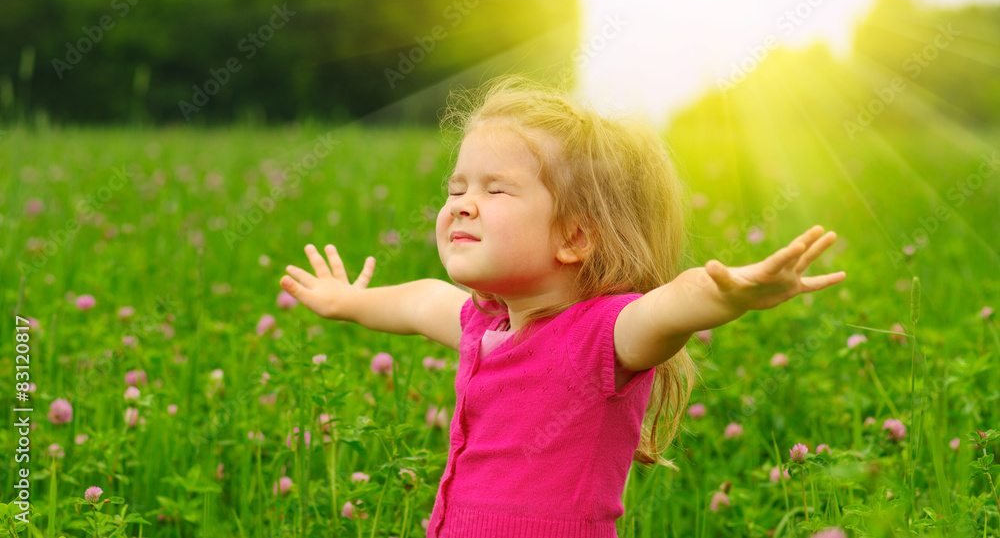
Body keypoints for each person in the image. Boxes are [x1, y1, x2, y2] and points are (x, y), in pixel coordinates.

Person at [278, 75, 846, 537]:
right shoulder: (482, 325)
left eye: (495, 190)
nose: (464, 206)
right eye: (456, 190)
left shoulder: (602, 337)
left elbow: (669, 307)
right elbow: (419, 300)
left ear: (574, 236)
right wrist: (348, 301)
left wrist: (727, 291)